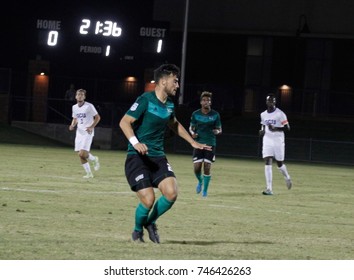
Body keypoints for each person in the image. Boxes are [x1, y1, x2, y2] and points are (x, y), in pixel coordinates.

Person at [119, 63, 211, 243]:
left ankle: (150, 223)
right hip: (137, 157)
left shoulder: (169, 105)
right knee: (148, 200)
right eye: (175, 81)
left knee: (171, 193)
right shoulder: (145, 99)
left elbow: (174, 124)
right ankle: (137, 232)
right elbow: (124, 122)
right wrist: (136, 143)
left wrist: (193, 142)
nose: (177, 85)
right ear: (162, 81)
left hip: (158, 156)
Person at [189, 91, 222, 197]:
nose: (206, 102)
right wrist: (193, 133)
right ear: (201, 102)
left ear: (210, 102)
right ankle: (200, 181)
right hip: (198, 143)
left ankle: (205, 192)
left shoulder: (215, 115)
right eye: (204, 100)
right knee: (197, 168)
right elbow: (191, 127)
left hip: (210, 143)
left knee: (207, 166)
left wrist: (216, 132)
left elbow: (219, 129)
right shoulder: (195, 114)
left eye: (208, 100)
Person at [259, 94, 292, 195]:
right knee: (268, 161)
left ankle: (287, 177)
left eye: (272, 101)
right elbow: (263, 126)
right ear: (266, 102)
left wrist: (276, 128)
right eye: (269, 100)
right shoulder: (263, 114)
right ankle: (269, 188)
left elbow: (288, 128)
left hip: (278, 140)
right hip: (267, 140)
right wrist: (261, 131)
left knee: (279, 163)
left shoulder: (280, 114)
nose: (270, 102)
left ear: (275, 102)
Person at [69, 89, 101, 178]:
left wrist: (91, 127)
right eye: (78, 94)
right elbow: (75, 118)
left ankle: (94, 159)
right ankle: (89, 173)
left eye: (82, 95)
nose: (80, 96)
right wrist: (72, 125)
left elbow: (97, 117)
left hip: (88, 132)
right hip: (79, 132)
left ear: (84, 97)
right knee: (80, 154)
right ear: (75, 96)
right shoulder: (74, 107)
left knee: (82, 153)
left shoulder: (89, 106)